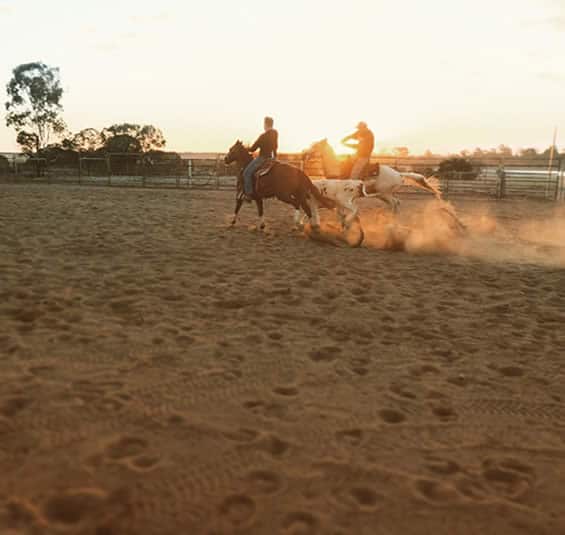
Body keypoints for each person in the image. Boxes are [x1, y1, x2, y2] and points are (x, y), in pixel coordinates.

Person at [243, 116, 278, 200]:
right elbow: (275, 146)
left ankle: (249, 194)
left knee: (246, 173)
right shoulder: (275, 133)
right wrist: (275, 156)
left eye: (264, 124)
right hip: (270, 158)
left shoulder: (263, 136)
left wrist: (246, 148)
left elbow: (253, 149)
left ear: (265, 124)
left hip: (262, 158)